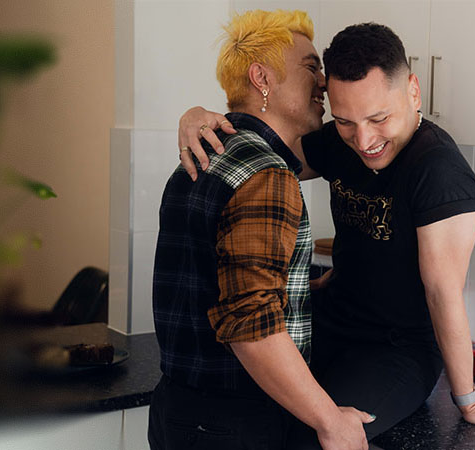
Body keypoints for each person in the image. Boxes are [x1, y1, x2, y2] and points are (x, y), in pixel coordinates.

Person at [176, 22, 475, 449]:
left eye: (379, 118)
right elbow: (260, 152)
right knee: (257, 418)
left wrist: (468, 400)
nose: (364, 141)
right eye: (345, 121)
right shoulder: (339, 142)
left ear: (414, 91)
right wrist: (198, 118)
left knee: (314, 437)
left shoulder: (440, 174)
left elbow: (444, 294)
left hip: (396, 350)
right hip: (331, 323)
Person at [148, 10, 375, 450]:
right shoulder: (265, 174)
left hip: (179, 411)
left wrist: (299, 283)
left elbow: (211, 275)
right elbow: (250, 323)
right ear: (262, 77)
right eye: (311, 67)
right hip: (234, 422)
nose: (325, 82)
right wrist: (329, 419)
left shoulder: (207, 154)